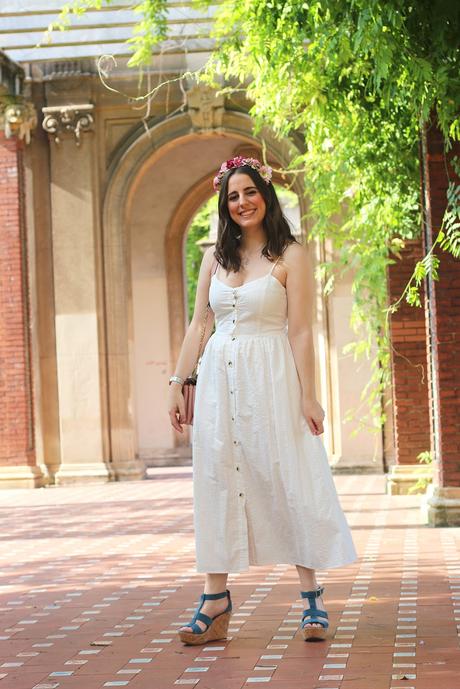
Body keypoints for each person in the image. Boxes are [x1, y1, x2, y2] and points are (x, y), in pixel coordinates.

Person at [168, 156, 357, 646]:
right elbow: (200, 325)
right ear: (224, 205)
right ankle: (215, 599)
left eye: (250, 192)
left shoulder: (290, 255)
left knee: (287, 474)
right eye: (232, 196)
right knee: (217, 477)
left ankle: (312, 595)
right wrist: (178, 381)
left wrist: (309, 395)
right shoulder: (216, 258)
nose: (242, 202)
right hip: (216, 384)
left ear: (265, 196)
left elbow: (300, 331)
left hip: (271, 377)